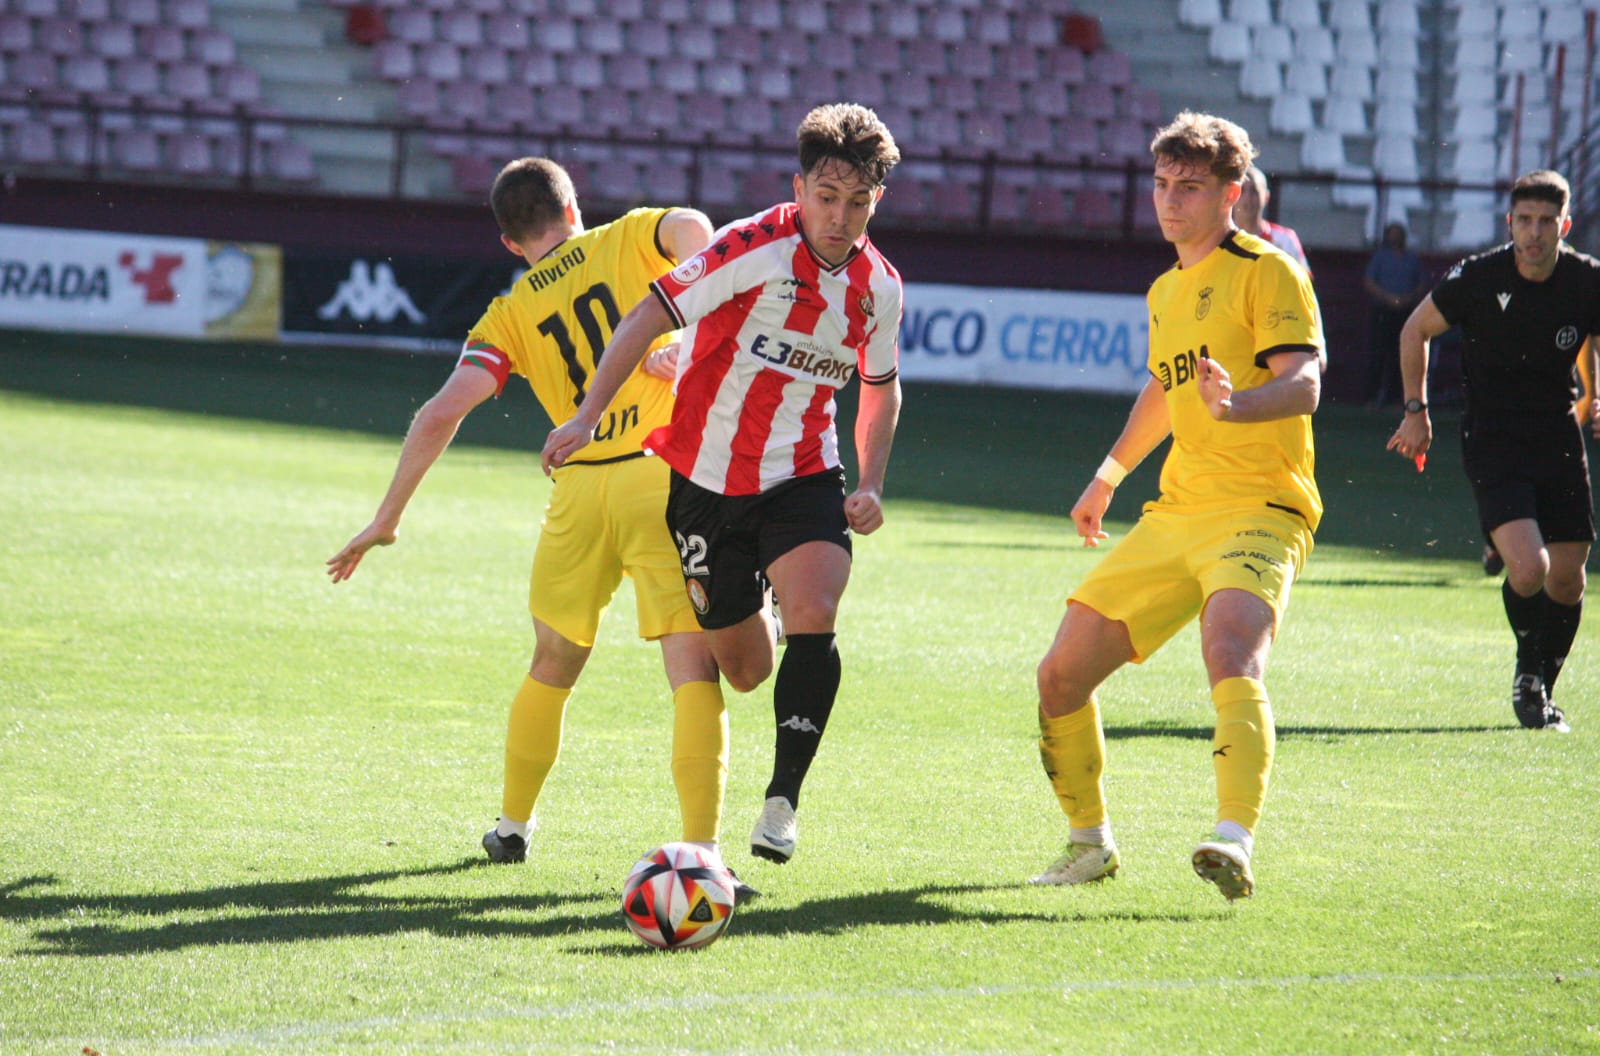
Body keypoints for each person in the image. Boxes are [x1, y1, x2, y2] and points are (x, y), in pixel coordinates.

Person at [326, 158, 755, 896]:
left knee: (552, 663)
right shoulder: (629, 239)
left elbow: (439, 413)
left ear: (508, 241)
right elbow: (695, 230)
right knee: (692, 665)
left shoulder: (509, 312)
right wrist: (701, 318)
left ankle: (511, 825)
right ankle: (701, 853)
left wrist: (386, 520)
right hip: (663, 480)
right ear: (572, 205)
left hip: (579, 492)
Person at [542, 103, 904, 866]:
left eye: (858, 202)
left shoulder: (879, 287)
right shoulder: (751, 248)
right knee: (744, 669)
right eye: (827, 198)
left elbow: (881, 385)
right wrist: (586, 416)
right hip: (704, 481)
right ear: (799, 188)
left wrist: (871, 480)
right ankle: (761, 608)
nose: (840, 218)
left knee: (818, 605)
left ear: (877, 201)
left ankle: (783, 799)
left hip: (804, 472)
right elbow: (649, 313)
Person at [1031, 112, 1323, 902]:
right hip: (1177, 511)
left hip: (1262, 505)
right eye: (1162, 185)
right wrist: (1107, 477)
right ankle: (1089, 843)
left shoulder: (1267, 268)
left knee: (1229, 648)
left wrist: (1241, 405)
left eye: (1189, 188)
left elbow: (1306, 383)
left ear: (1231, 194)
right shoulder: (1165, 288)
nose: (1170, 202)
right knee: (1059, 676)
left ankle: (1233, 838)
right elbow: (1166, 388)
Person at [1387, 169, 1600, 734]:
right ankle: (1528, 673)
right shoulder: (1480, 276)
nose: (1533, 232)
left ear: (1565, 225)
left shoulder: (1586, 280)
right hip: (1493, 435)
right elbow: (1415, 330)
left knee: (1570, 581)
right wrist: (1417, 410)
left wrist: (1597, 394)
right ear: (1509, 223)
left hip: (1557, 432)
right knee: (1530, 569)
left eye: (1545, 222)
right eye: (1524, 220)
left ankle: (1541, 684)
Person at [1362, 222, 1428, 407]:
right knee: (1378, 354)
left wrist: (1407, 299)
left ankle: (1395, 398)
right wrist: (1389, 298)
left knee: (1401, 356)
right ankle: (1372, 396)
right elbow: (1369, 281)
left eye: (1398, 234)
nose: (1395, 238)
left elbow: (1422, 283)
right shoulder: (1380, 258)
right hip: (1383, 312)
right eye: (1392, 234)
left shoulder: (1412, 259)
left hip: (1405, 313)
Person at [1233, 164, 1310, 275]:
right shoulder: (1219, 239)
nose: (1248, 199)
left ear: (1266, 197)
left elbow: (1303, 283)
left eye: (1254, 191)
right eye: (1242, 190)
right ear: (1231, 195)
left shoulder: (1285, 240)